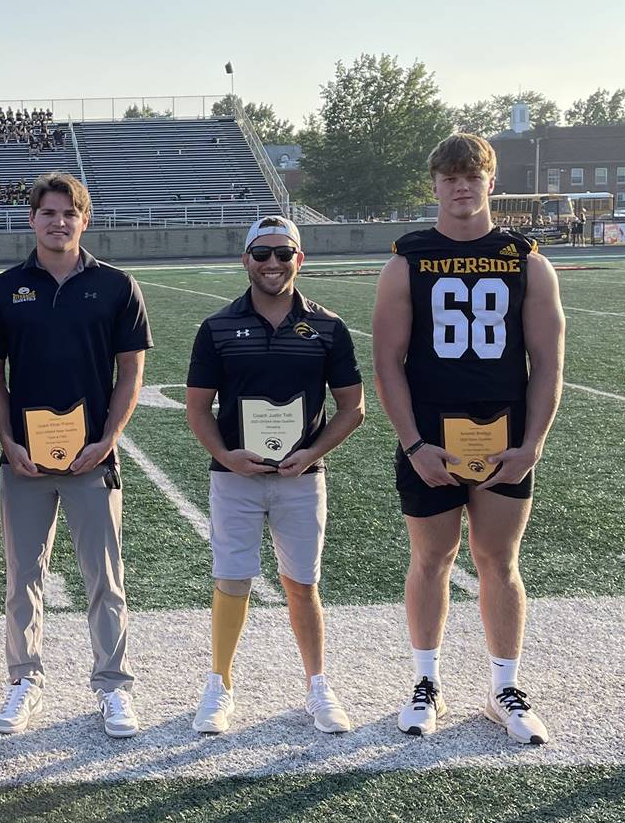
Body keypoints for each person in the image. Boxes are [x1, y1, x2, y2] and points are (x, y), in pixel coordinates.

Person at [371, 133, 564, 745]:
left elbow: (548, 361)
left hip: (503, 428)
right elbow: (387, 362)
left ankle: (504, 686)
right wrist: (412, 443)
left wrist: (532, 443)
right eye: (450, 176)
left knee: (498, 560)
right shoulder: (408, 258)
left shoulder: (525, 258)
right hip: (431, 431)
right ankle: (425, 680)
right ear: (434, 184)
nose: (461, 186)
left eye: (472, 175)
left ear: (490, 182)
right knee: (431, 557)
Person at [0, 171, 151, 738]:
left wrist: (109, 438)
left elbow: (131, 372)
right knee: (23, 575)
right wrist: (7, 440)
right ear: (32, 219)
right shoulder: (2, 291)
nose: (58, 223)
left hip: (91, 458)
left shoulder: (118, 286)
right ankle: (24, 680)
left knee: (104, 576)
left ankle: (113, 686)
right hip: (24, 460)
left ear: (85, 219)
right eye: (48, 213)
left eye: (68, 213)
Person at [185, 217, 365, 735]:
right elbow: (197, 408)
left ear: (299, 259)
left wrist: (311, 454)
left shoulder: (327, 326)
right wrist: (226, 453)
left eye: (283, 253)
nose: (272, 263)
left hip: (301, 477)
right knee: (231, 578)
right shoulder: (217, 326)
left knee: (303, 583)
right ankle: (219, 684)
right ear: (245, 259)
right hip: (234, 475)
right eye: (261, 253)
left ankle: (317, 684)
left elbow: (353, 409)